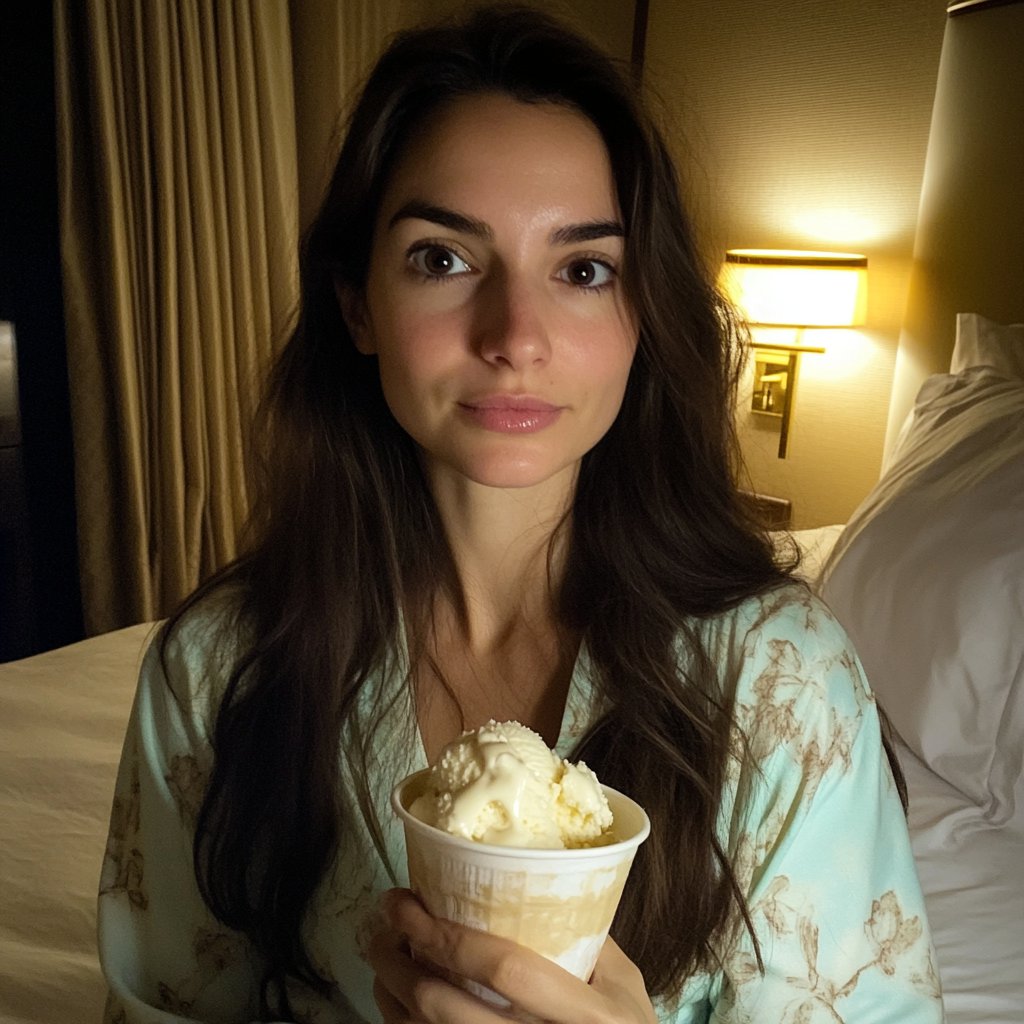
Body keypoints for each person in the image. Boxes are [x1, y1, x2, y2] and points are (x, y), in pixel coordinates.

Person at [98, 6, 943, 1023]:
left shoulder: (780, 686)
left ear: (644, 315)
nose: (515, 335)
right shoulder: (215, 669)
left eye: (583, 270)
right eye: (443, 259)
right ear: (358, 303)